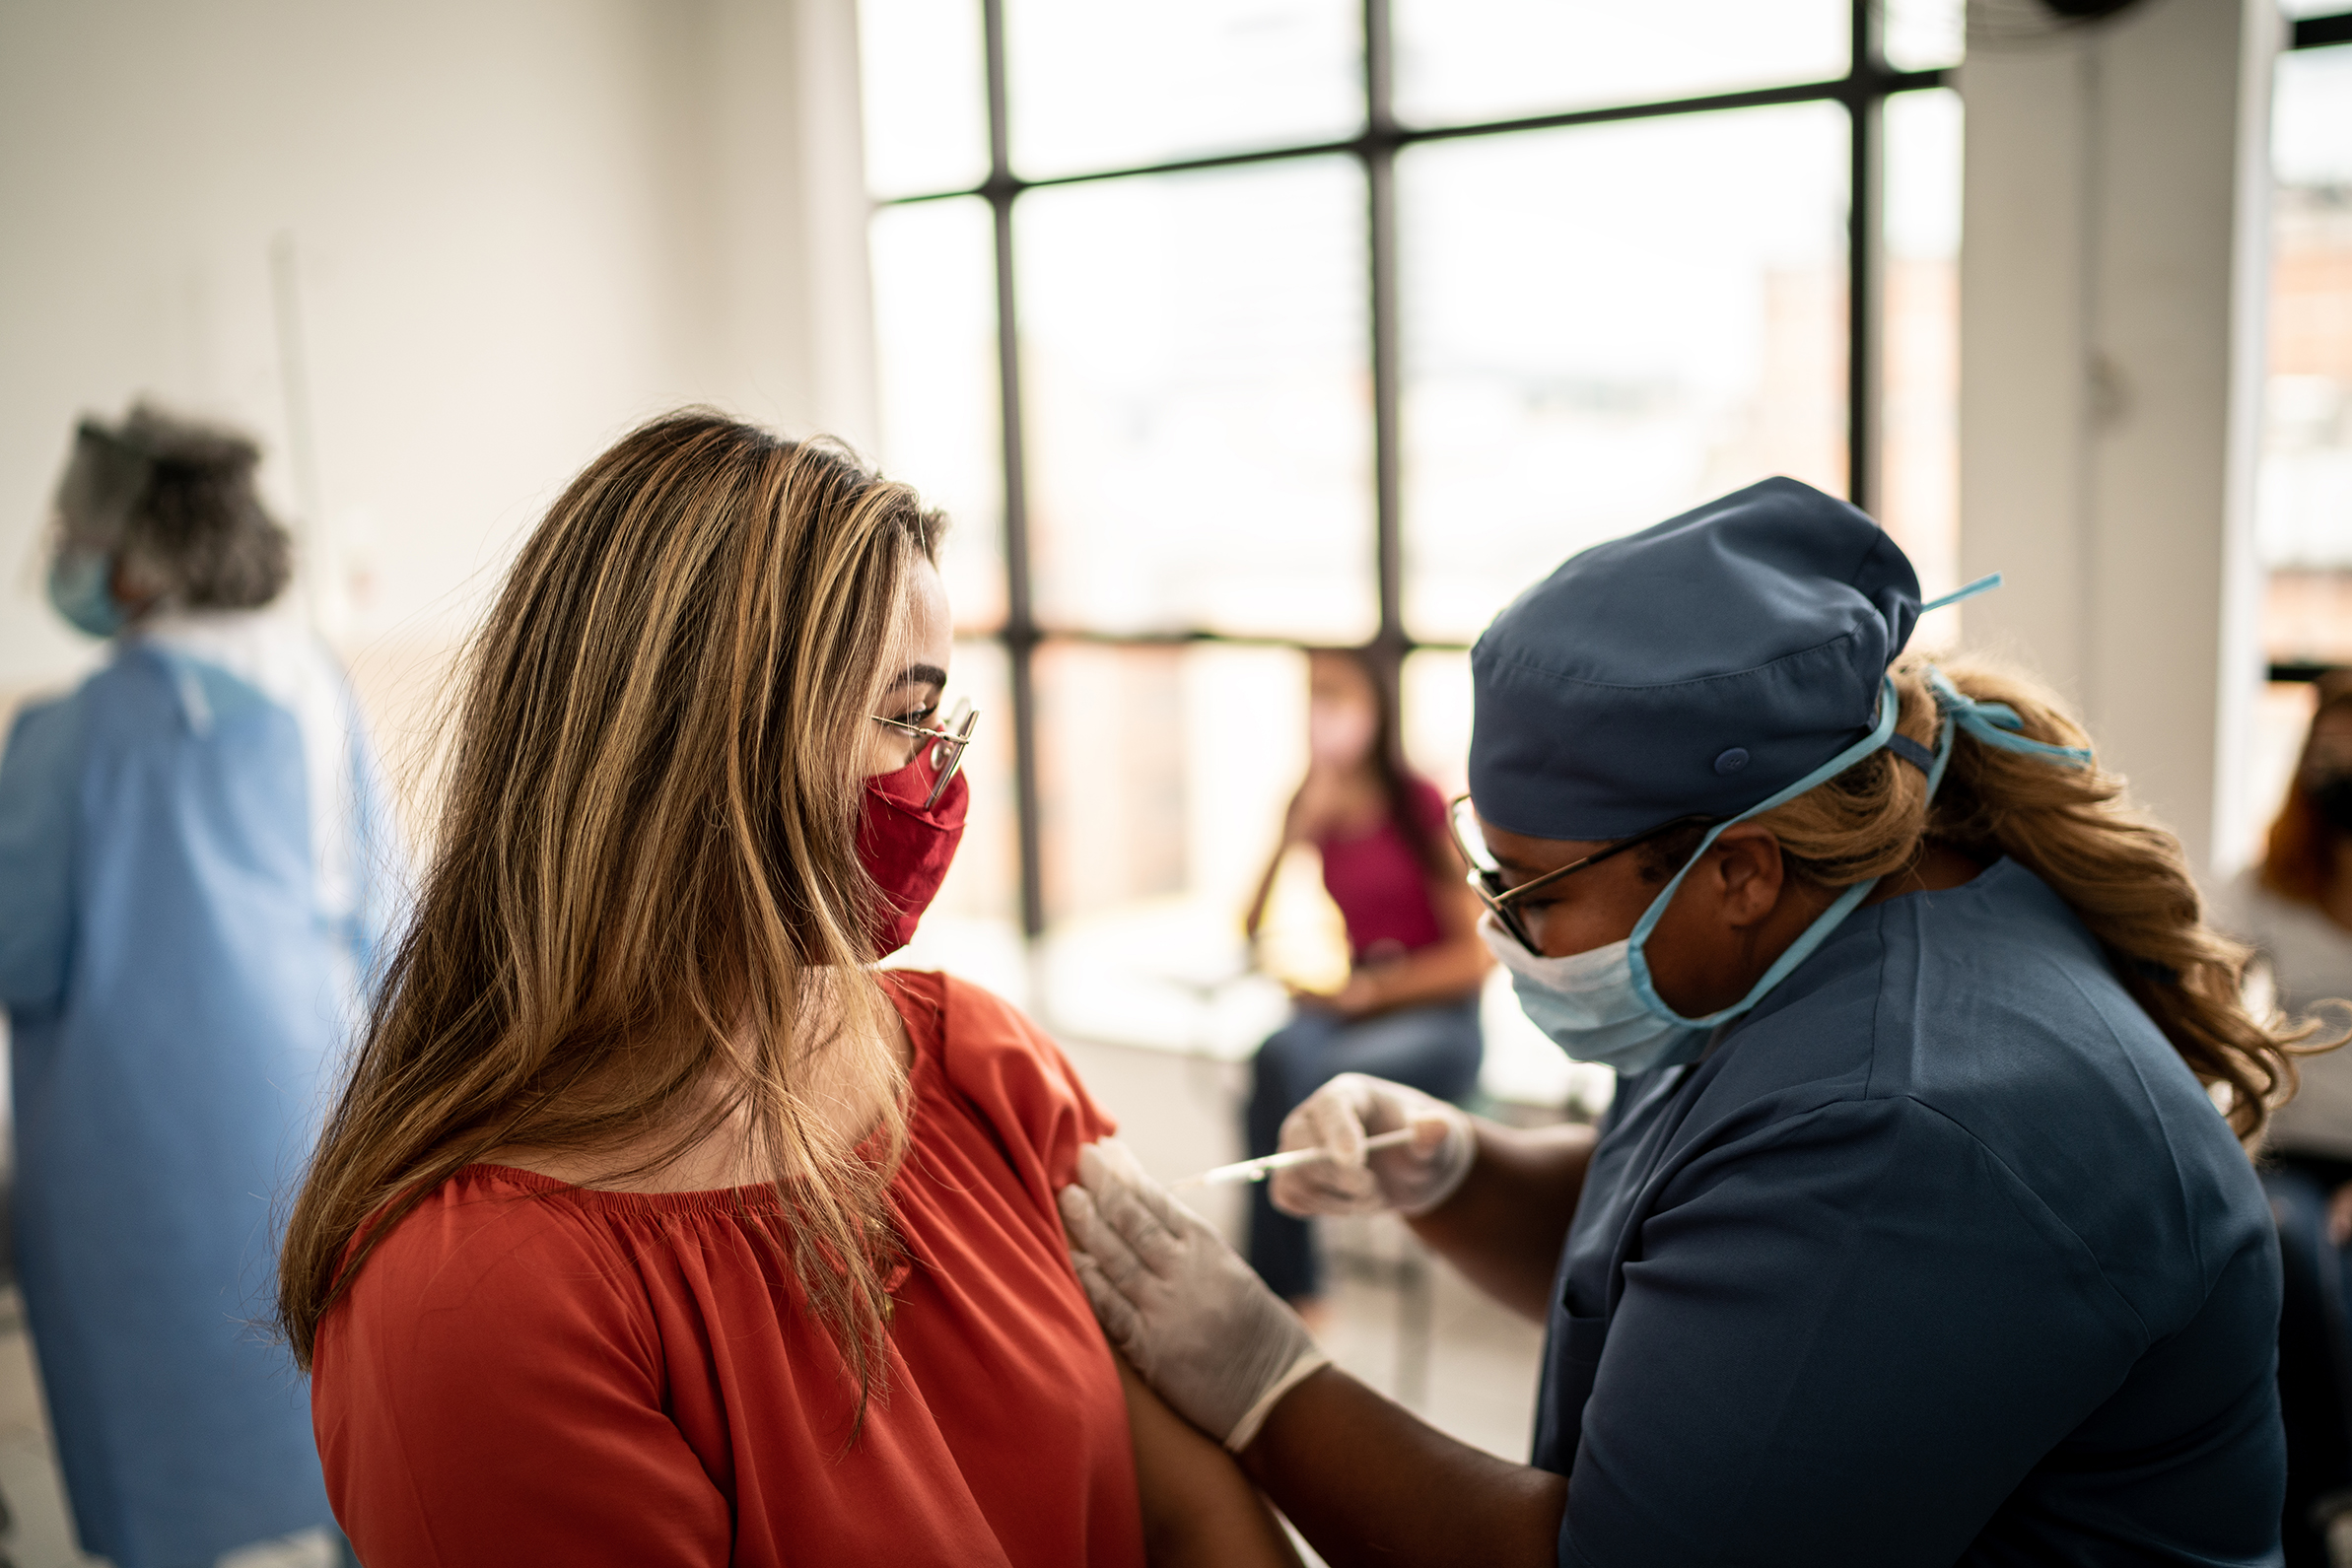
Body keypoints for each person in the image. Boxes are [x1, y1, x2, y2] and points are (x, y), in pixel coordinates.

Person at [1063, 476, 2321, 1565]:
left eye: (1534, 894)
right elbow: (1703, 1235)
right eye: (1488, 874)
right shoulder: (1807, 930)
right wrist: (1452, 1171)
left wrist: (1263, 1384)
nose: (1502, 930)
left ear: (1739, 866)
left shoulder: (1912, 1127)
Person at [278, 412, 1300, 1567]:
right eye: (906, 716)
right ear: (711, 747)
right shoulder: (478, 1304)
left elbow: (1192, 1512)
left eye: (941, 714)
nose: (940, 774)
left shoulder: (979, 1064)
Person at [0, 406, 397, 1568]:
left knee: (156, 1457)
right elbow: (390, 919)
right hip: (315, 1119)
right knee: (334, 1410)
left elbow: (19, 950)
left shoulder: (69, 735)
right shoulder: (320, 691)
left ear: (137, 555)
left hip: (131, 1172)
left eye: (80, 527)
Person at [1237, 647, 1487, 1309]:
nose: (1325, 712)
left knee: (1324, 1077)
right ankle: (1288, 1286)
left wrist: (1367, 993)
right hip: (1358, 1003)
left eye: (1339, 695)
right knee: (1274, 1057)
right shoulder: (1313, 803)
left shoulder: (1418, 803)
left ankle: (1290, 1289)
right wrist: (1293, 831)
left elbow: (1475, 956)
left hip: (1438, 1016)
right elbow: (1248, 925)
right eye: (1315, 695)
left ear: (1377, 707)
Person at [2210, 672, 2352, 1566]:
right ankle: (2331, 1499)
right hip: (2296, 1153)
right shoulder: (2266, 885)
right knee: (2287, 1241)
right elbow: (2202, 980)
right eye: (2332, 749)